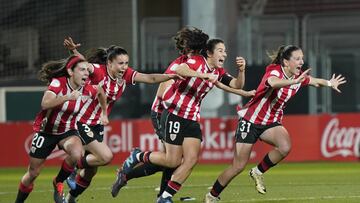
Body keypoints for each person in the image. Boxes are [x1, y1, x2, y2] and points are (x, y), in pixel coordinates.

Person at [110, 28, 256, 200]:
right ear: (208, 52)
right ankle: (138, 158)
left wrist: (242, 73)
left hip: (191, 117)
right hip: (169, 112)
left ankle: (164, 195)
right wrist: (201, 75)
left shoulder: (217, 71)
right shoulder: (193, 62)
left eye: (225, 51)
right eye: (221, 50)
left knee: (188, 160)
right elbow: (176, 75)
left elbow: (234, 85)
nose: (225, 54)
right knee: (171, 161)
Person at [204, 45, 346, 203]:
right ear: (286, 62)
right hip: (250, 120)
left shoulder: (298, 77)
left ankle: (257, 172)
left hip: (270, 122)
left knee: (285, 147)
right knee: (238, 166)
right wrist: (294, 81)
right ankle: (212, 195)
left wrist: (329, 83)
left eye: (302, 58)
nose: (301, 62)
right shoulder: (274, 71)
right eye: (297, 59)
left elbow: (315, 81)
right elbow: (273, 82)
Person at [62, 37, 182, 203]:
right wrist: (73, 51)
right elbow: (82, 64)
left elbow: (150, 78)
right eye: (120, 63)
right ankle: (72, 168)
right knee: (105, 157)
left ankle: (69, 199)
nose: (124, 67)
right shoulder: (98, 71)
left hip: (97, 125)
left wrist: (171, 76)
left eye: (126, 63)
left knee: (91, 171)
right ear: (109, 63)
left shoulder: (126, 75)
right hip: (81, 121)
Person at [14, 55, 108, 203]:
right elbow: (45, 104)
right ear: (71, 72)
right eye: (81, 70)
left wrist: (104, 112)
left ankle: (58, 182)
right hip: (46, 132)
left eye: (87, 70)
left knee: (77, 154)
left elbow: (101, 92)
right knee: (33, 173)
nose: (86, 73)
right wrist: (67, 97)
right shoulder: (59, 83)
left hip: (68, 131)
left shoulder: (88, 88)